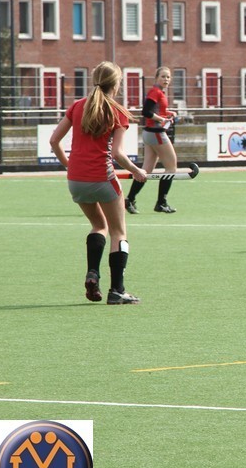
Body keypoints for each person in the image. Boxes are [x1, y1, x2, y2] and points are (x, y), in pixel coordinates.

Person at [49, 61, 147, 304]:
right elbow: (118, 154)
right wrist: (136, 170)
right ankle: (117, 291)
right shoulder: (118, 111)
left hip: (76, 180)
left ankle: (93, 273)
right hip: (103, 179)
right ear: (116, 84)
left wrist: (69, 165)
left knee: (98, 225)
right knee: (119, 232)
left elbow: (54, 141)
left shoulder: (77, 106)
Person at [125, 67, 179, 214]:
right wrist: (162, 119)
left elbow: (156, 110)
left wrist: (168, 113)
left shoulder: (159, 92)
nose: (166, 79)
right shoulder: (155, 92)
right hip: (156, 133)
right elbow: (146, 112)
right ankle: (161, 203)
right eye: (163, 76)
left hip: (150, 133)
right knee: (171, 168)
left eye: (168, 77)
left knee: (146, 171)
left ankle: (129, 199)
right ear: (156, 78)